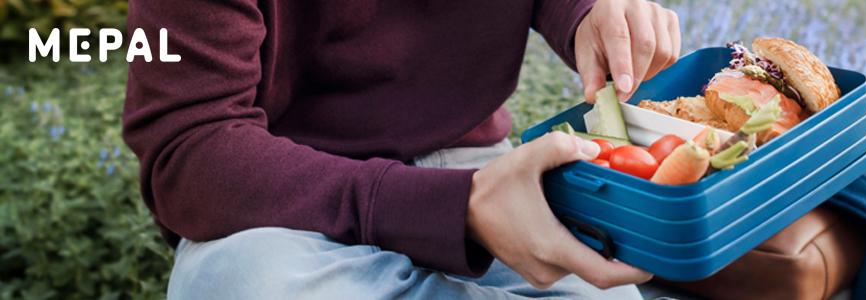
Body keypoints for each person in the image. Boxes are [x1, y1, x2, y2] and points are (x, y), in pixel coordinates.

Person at [122, 0, 681, 298]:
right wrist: (454, 211)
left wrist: (588, 11)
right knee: (247, 288)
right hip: (284, 205)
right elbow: (189, 147)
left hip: (472, 167)